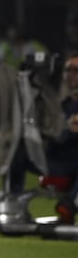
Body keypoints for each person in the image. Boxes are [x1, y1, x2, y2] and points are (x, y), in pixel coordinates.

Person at [50, 52, 78, 224]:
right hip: (60, 161)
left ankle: (70, 205)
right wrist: (68, 129)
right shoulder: (57, 106)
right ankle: (70, 205)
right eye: (68, 70)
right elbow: (51, 138)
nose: (71, 75)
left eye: (76, 70)